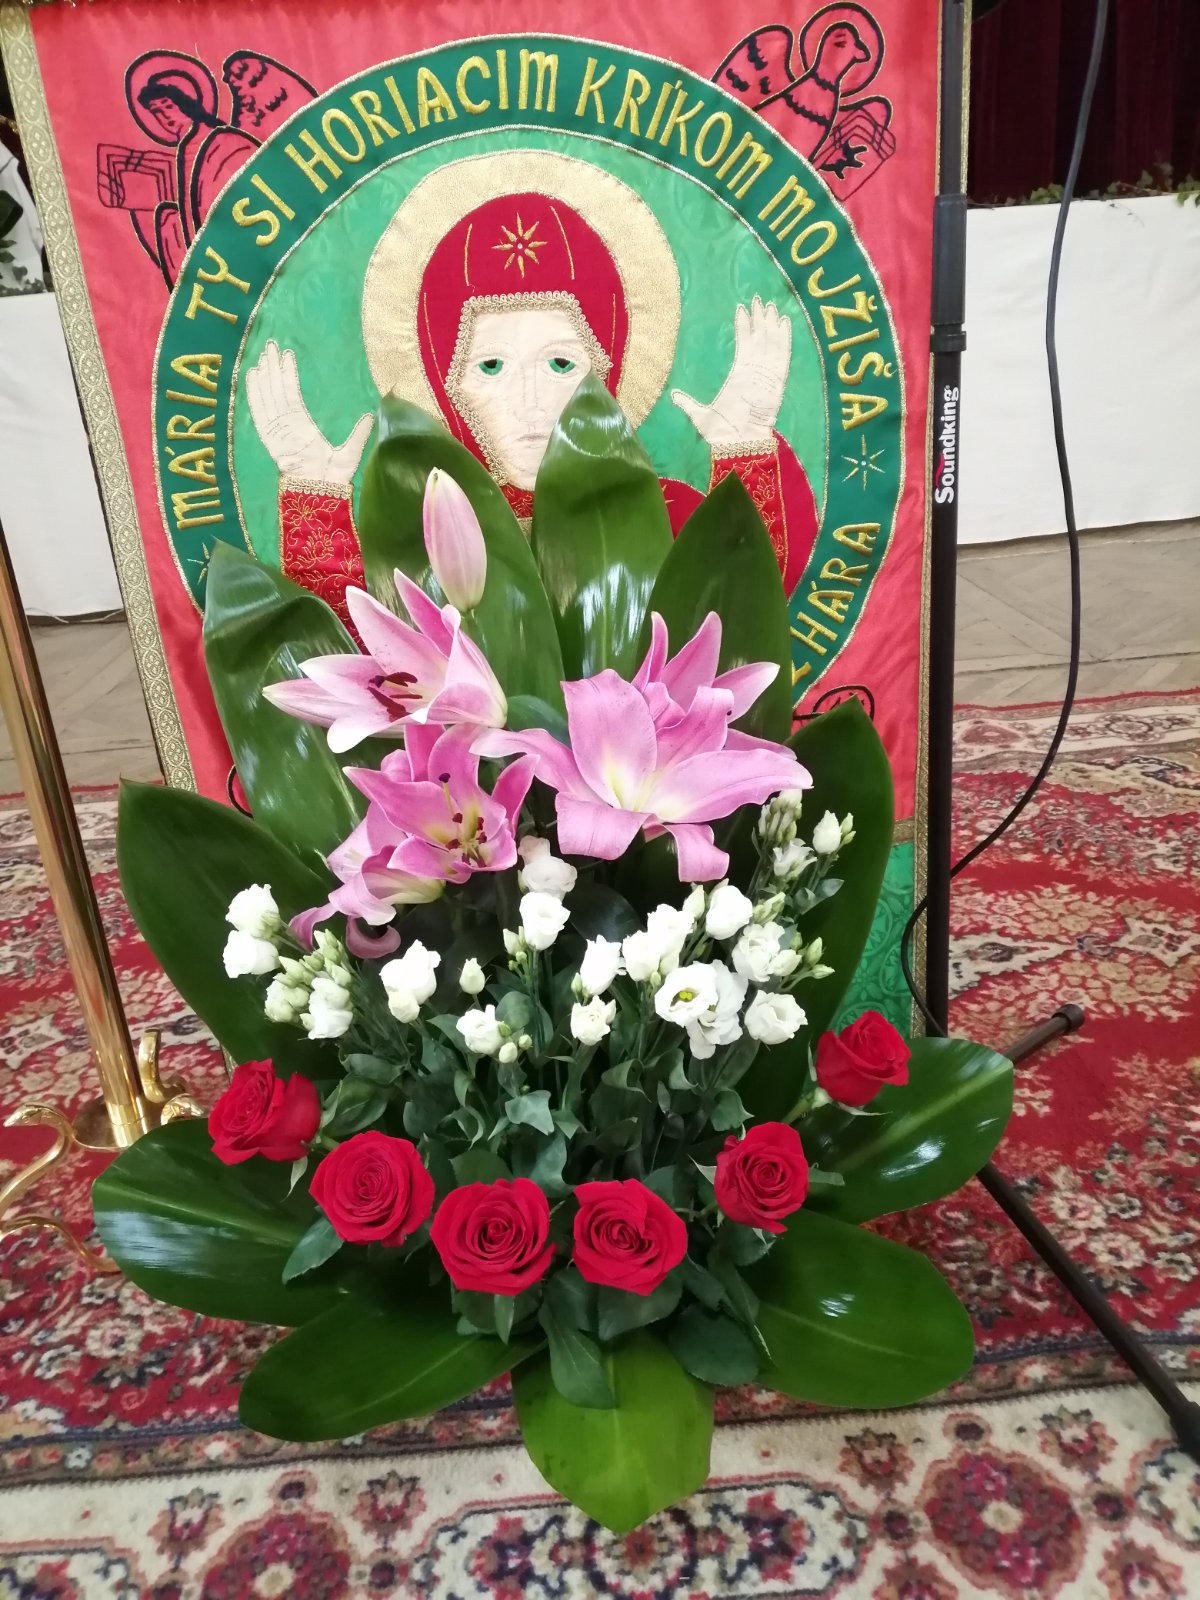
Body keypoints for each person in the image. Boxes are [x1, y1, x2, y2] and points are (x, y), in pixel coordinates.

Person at [246, 192, 819, 625]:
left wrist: (744, 446)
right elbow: (363, 660)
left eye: (561, 364)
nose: (529, 401)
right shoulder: (427, 528)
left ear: (608, 370)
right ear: (445, 385)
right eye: (491, 366)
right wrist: (315, 493)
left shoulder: (657, 512)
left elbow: (746, 626)